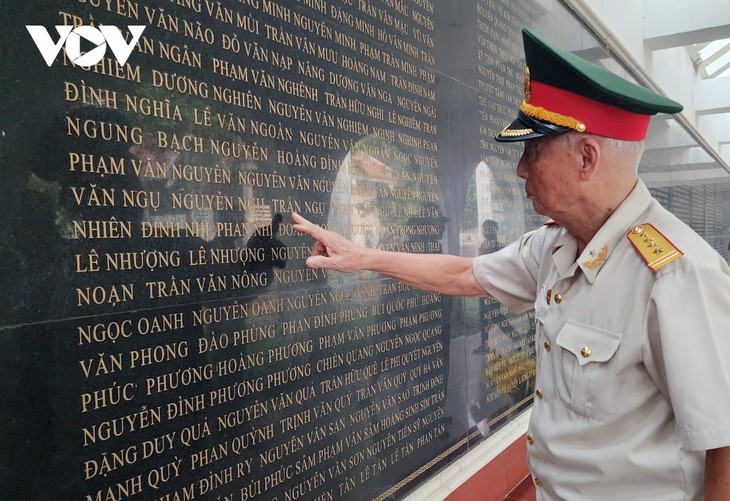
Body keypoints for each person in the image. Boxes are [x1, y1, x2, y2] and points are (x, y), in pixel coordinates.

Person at [293, 27, 730, 500]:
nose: (520, 169)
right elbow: (465, 273)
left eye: (533, 150)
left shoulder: (677, 275)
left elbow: (722, 439)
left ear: (586, 157)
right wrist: (361, 257)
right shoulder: (554, 245)